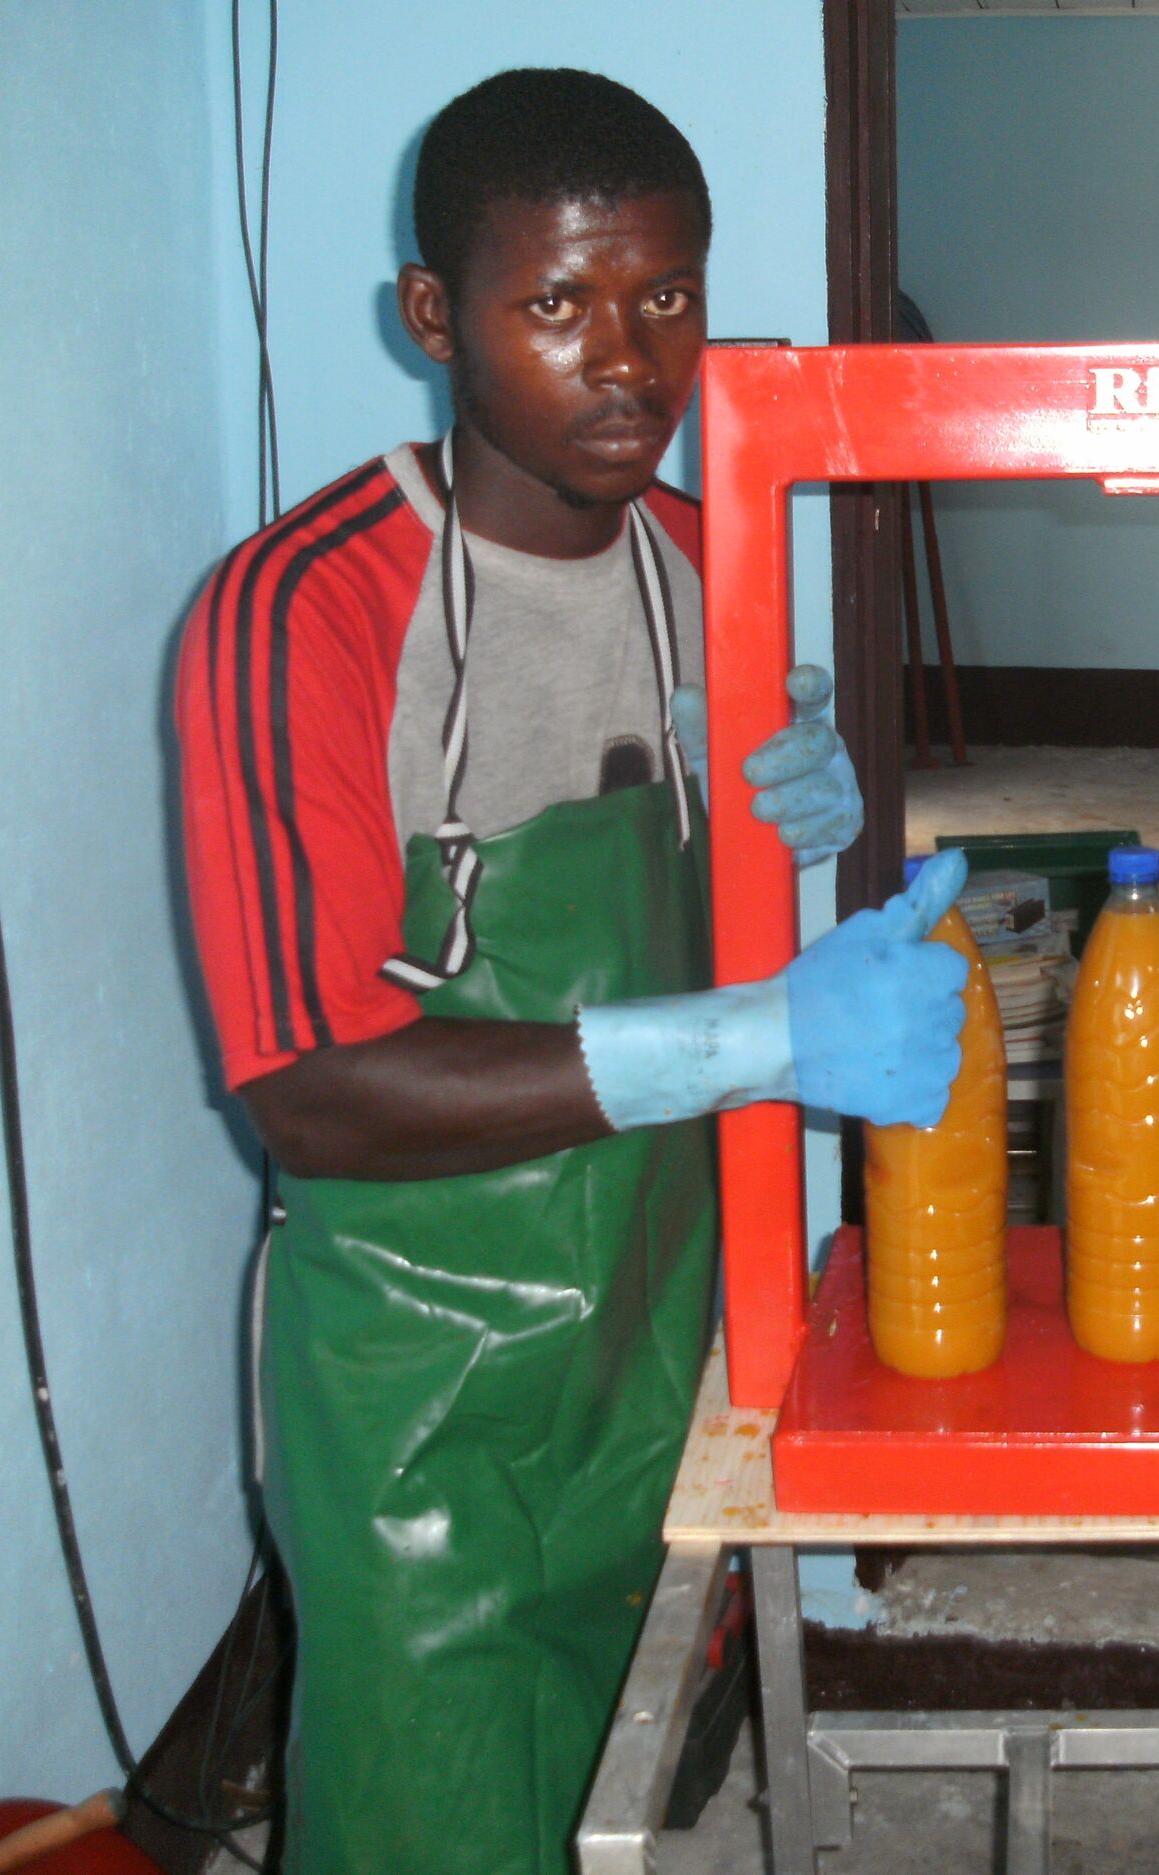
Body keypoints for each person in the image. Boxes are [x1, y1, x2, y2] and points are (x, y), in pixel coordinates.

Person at [175, 69, 969, 1875]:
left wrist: (789, 819)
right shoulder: (306, 613)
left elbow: (712, 937)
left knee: (622, 1789)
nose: (628, 361)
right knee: (433, 1813)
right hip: (430, 1392)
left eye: (665, 296)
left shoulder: (705, 565)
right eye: (555, 302)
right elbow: (311, 1093)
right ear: (432, 316)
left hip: (654, 1324)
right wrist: (767, 1035)